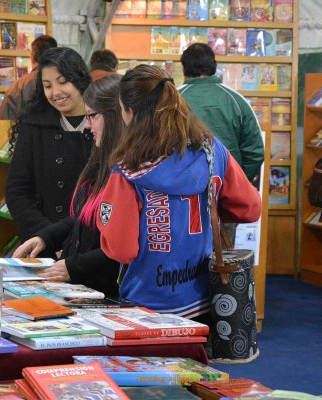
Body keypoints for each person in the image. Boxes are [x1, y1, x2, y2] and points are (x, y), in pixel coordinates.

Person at [97, 64, 262, 322]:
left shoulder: (127, 171)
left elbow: (121, 249)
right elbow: (250, 207)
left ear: (129, 113)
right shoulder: (213, 151)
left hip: (147, 303)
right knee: (197, 364)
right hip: (204, 298)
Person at [12, 76, 123, 297]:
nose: (88, 126)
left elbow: (121, 245)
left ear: (115, 117)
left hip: (103, 290)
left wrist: (73, 266)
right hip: (83, 287)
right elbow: (84, 216)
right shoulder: (101, 160)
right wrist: (45, 237)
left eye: (92, 117)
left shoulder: (127, 172)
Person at [6, 47, 94, 256]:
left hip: (91, 245)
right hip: (43, 247)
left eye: (63, 82)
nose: (55, 93)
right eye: (47, 86)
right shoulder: (35, 124)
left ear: (79, 80)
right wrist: (47, 237)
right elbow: (17, 191)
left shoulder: (102, 121)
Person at [178, 43, 264, 184]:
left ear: (183, 68)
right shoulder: (236, 100)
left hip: (183, 188)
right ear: (214, 66)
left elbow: (155, 147)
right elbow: (255, 152)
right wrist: (239, 183)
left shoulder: (171, 99)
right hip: (227, 184)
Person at [0, 35, 58, 120]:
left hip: (26, 132)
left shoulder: (18, 86)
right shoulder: (66, 81)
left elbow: (3, 123)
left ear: (32, 56)